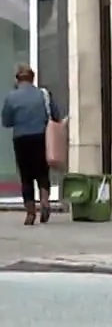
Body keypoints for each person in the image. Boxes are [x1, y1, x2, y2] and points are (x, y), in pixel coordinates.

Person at [2, 63, 61, 225]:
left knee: (26, 176)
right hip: (41, 137)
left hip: (21, 139)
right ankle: (44, 202)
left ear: (17, 79)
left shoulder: (11, 97)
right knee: (42, 171)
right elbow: (55, 115)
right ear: (33, 78)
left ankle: (30, 213)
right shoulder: (43, 94)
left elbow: (6, 122)